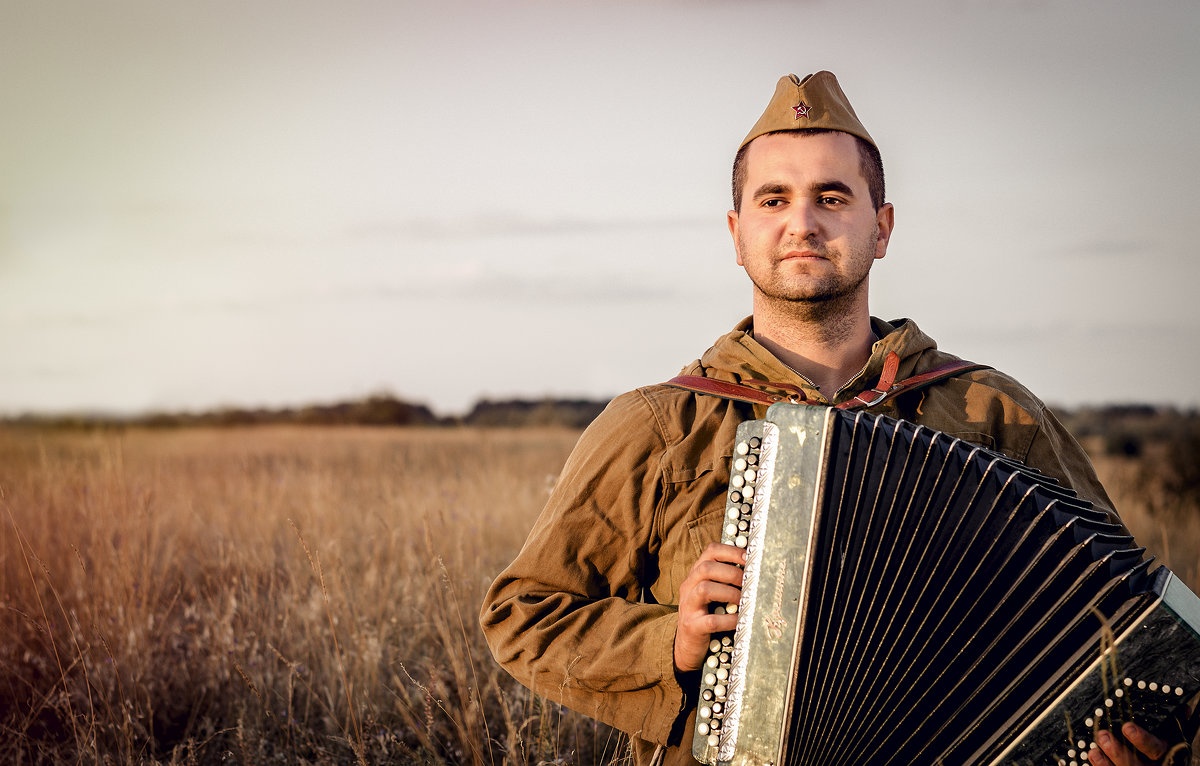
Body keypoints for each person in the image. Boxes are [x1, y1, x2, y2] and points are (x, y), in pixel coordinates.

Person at [479, 72, 1187, 766]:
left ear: (880, 228)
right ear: (736, 232)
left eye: (832, 196)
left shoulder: (996, 411)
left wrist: (1125, 733)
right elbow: (525, 615)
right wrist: (673, 642)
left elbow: (1127, 622)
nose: (802, 222)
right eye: (774, 199)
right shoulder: (659, 426)